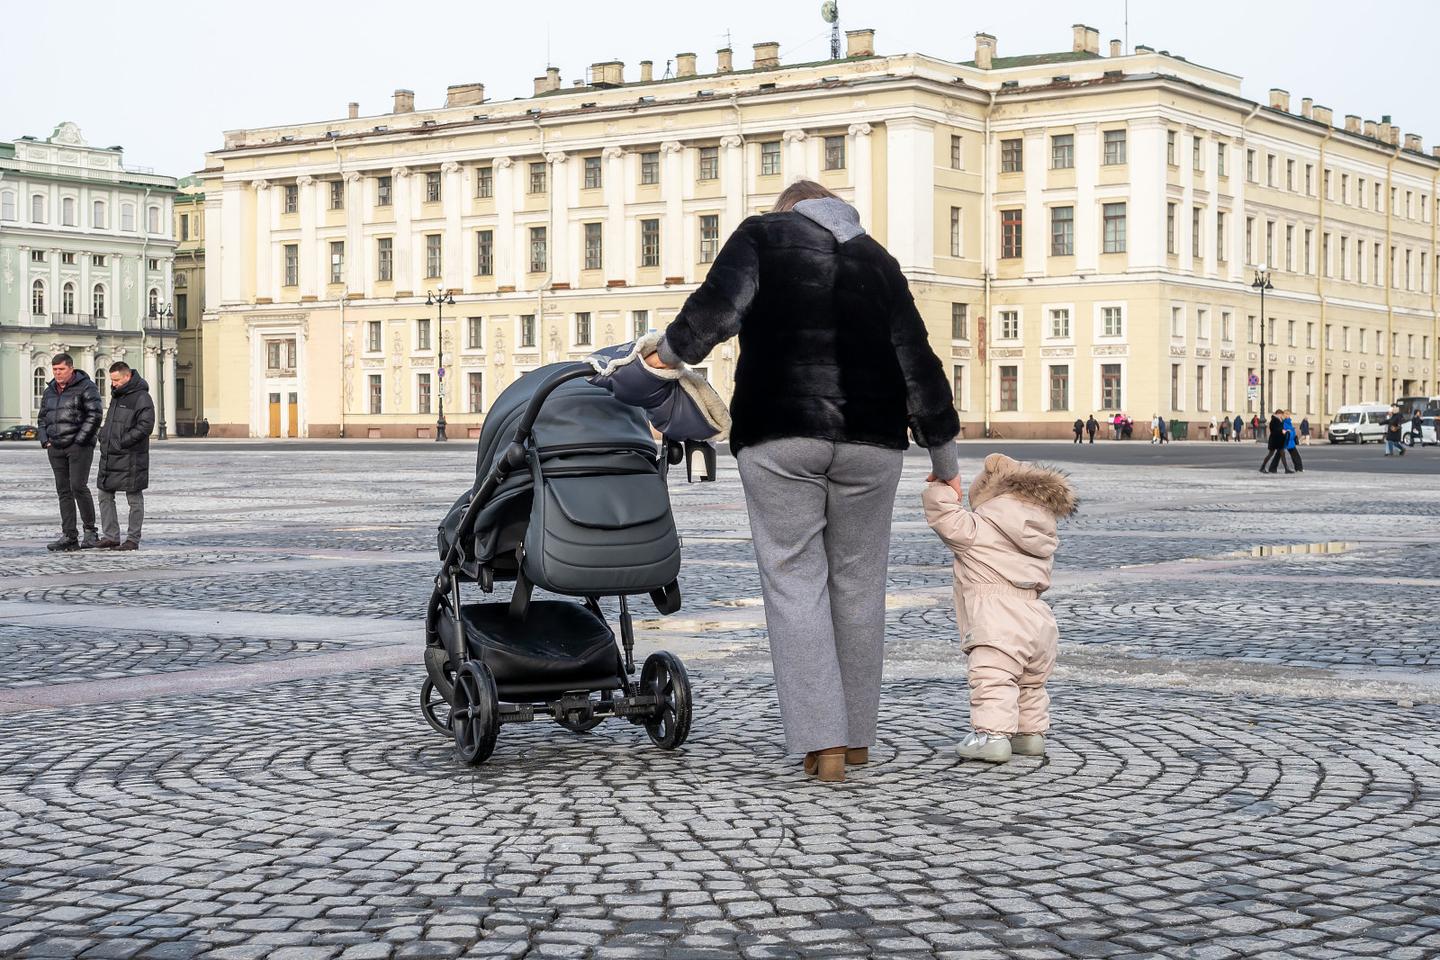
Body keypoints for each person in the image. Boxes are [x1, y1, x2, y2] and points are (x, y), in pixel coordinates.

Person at [647, 180, 959, 783]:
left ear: (787, 209)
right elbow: (918, 362)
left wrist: (661, 358)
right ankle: (858, 739)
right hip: (874, 444)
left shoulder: (764, 235)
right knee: (860, 583)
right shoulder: (880, 261)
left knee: (795, 580)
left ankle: (825, 744)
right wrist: (945, 464)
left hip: (782, 433)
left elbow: (714, 312)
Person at [923, 453, 1077, 763]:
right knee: (1031, 683)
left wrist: (941, 485)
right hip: (1038, 618)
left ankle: (991, 737)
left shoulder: (978, 529)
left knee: (993, 679)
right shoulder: (1042, 534)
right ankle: (1030, 735)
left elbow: (943, 515)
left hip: (997, 619)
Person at [36, 352, 103, 551]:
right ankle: (69, 535)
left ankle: (90, 532)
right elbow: (42, 418)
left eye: (61, 369)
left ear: (70, 369)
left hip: (78, 447)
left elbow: (95, 415)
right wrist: (45, 439)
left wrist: (80, 441)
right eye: (55, 369)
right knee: (63, 491)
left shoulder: (86, 387)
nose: (57, 373)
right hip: (55, 447)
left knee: (78, 487)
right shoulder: (49, 391)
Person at [95, 362, 155, 550]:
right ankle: (111, 536)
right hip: (111, 455)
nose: (113, 384)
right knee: (104, 493)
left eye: (116, 380)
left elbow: (145, 426)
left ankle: (132, 539)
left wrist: (122, 441)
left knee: (134, 497)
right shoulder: (116, 396)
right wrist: (104, 436)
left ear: (127, 377)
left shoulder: (142, 397)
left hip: (132, 456)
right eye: (112, 380)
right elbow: (110, 423)